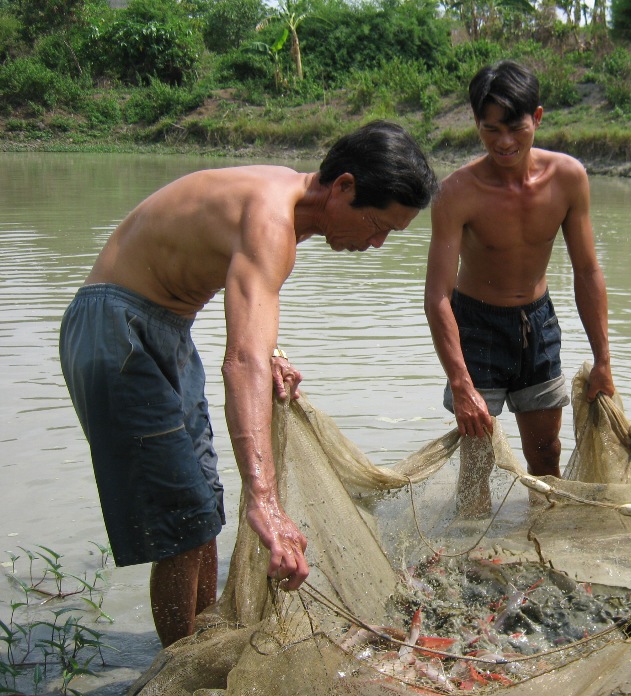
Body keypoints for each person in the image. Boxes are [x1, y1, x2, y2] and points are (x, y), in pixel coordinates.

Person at [59, 120, 438, 647]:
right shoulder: (271, 217)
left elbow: (248, 318)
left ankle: (204, 643)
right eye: (376, 225)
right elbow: (241, 360)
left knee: (204, 509)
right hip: (115, 328)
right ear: (344, 186)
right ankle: (179, 666)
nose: (375, 243)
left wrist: (273, 353)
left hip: (168, 327)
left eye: (387, 235)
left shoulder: (288, 209)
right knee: (181, 518)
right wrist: (264, 497)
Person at [424, 60, 615, 488]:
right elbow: (437, 294)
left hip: (538, 325)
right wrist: (460, 381)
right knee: (476, 466)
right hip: (474, 327)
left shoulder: (567, 178)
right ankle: (475, 554)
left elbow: (586, 270)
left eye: (516, 128)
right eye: (491, 130)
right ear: (476, 124)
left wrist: (603, 359)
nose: (505, 142)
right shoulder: (456, 193)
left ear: (538, 118)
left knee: (546, 454)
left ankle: (540, 541)